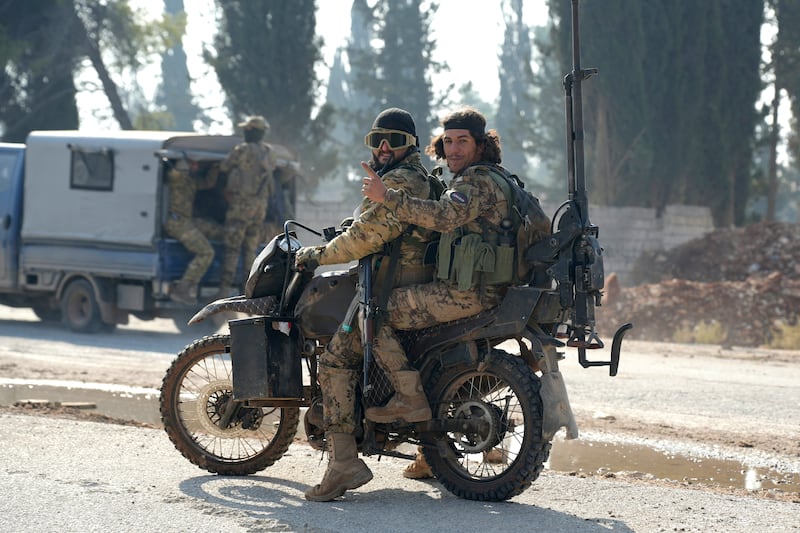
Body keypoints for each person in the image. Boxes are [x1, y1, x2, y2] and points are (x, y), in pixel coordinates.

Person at [361, 106, 550, 480]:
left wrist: (388, 198)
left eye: (462, 141)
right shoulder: (502, 178)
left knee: (376, 313)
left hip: (469, 294)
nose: (454, 149)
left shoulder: (474, 182)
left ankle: (407, 398)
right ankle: (429, 455)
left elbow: (445, 216)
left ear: (481, 145)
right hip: (498, 293)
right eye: (448, 141)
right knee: (428, 349)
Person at [294, 108, 439, 502]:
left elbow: (366, 238)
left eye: (393, 140)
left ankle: (344, 464)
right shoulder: (413, 179)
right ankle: (430, 454)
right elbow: (369, 226)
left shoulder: (400, 181)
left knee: (336, 360)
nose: (384, 147)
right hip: (409, 286)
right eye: (377, 140)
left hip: (390, 290)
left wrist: (317, 255)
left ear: (410, 144)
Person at [215, 115, 275, 298]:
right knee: (250, 249)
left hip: (241, 206)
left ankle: (224, 291)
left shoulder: (241, 150)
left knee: (232, 248)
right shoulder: (269, 152)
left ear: (250, 131)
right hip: (259, 208)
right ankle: (248, 292)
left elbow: (224, 167)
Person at [164, 159, 224, 305]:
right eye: (192, 164)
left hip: (186, 220)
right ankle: (182, 289)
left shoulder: (190, 181)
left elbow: (207, 182)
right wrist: (180, 165)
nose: (196, 167)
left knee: (221, 231)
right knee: (206, 252)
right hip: (176, 222)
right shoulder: (177, 178)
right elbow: (172, 173)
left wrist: (215, 168)